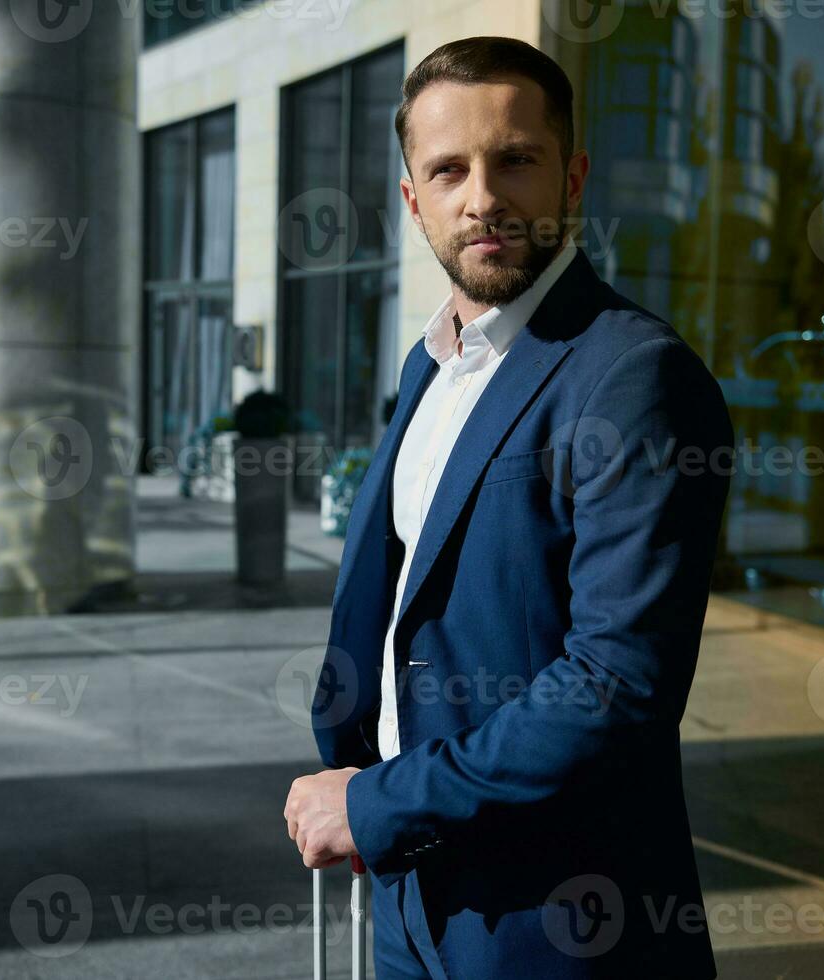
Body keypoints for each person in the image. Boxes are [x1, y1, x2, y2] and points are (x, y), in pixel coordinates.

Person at [284, 35, 733, 979]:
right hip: (412, 895)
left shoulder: (632, 376)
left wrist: (376, 804)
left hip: (555, 922)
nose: (481, 197)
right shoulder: (429, 366)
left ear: (570, 176)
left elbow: (618, 686)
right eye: (448, 169)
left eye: (514, 160)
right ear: (413, 198)